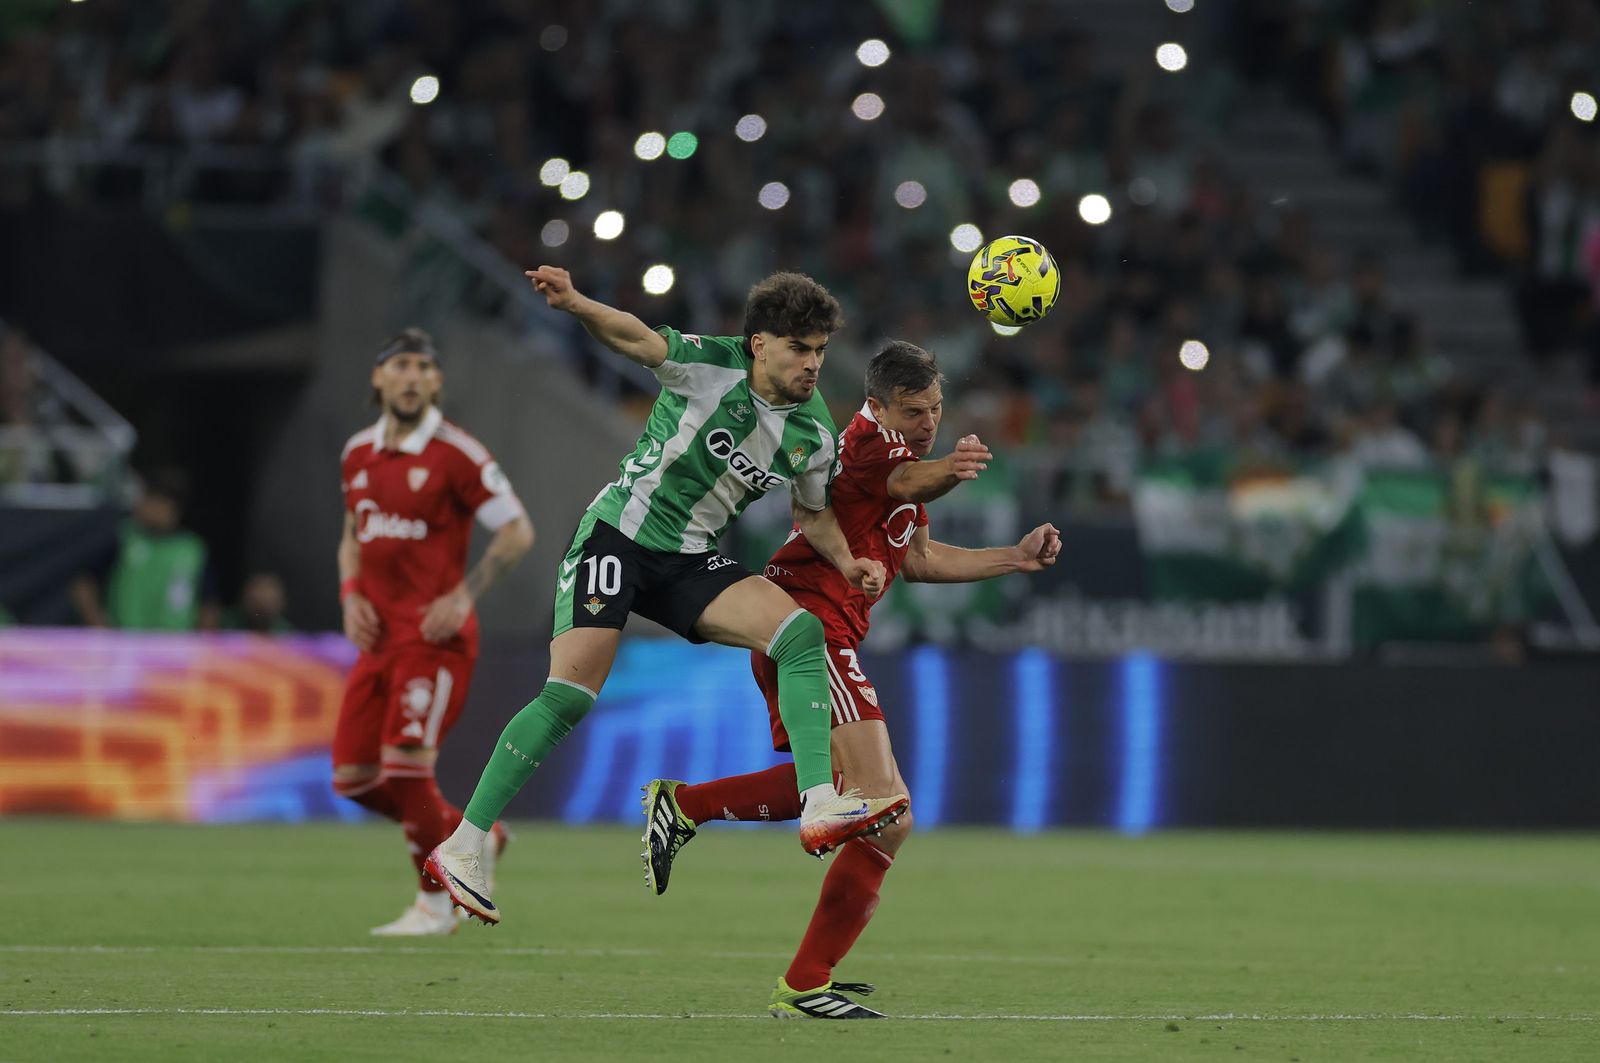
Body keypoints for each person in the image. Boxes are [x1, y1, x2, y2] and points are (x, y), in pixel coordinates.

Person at [425, 267, 909, 925]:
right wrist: (575, 303)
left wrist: (850, 561)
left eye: (821, 349)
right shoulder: (710, 365)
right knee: (568, 696)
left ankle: (820, 800)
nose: (813, 363)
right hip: (617, 538)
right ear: (760, 343)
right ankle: (464, 843)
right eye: (800, 347)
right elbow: (636, 338)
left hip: (687, 559)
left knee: (799, 634)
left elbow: (814, 512)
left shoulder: (815, 430)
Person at [639, 341, 1061, 1018]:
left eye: (937, 408)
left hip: (828, 631)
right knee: (881, 806)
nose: (929, 420)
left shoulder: (898, 450)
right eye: (916, 410)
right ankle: (803, 964)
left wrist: (1012, 557)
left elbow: (917, 557)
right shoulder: (867, 446)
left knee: (881, 813)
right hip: (809, 629)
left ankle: (690, 811)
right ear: (880, 403)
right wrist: (949, 471)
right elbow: (906, 483)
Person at [335, 327, 535, 936]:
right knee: (353, 778)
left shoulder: (458, 454)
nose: (413, 376)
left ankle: (436, 901)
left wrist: (463, 594)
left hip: (433, 638)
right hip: (378, 640)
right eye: (400, 365)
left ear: (437, 381)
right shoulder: (358, 454)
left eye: (424, 366)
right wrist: (349, 595)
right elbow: (352, 534)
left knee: (403, 770)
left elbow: (517, 531)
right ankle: (479, 837)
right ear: (379, 378)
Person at [71, 467, 220, 631]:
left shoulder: (193, 550)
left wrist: (200, 645)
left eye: (150, 500)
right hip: (125, 644)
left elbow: (208, 605)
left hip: (176, 648)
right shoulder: (124, 537)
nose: (141, 505)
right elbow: (83, 586)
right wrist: (100, 626)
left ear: (170, 506)